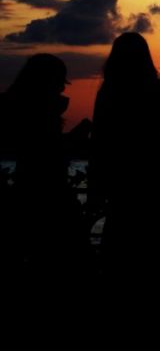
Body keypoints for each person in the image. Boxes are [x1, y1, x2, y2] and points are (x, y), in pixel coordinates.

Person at [89, 33, 160, 278]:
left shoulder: (108, 94)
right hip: (153, 182)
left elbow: (100, 141)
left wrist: (96, 187)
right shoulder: (158, 91)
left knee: (119, 248)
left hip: (120, 182)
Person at [0, 54, 90, 276]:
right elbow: (45, 148)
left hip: (27, 189)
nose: (62, 87)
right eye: (59, 81)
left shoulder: (14, 106)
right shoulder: (38, 111)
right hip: (48, 192)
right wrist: (75, 138)